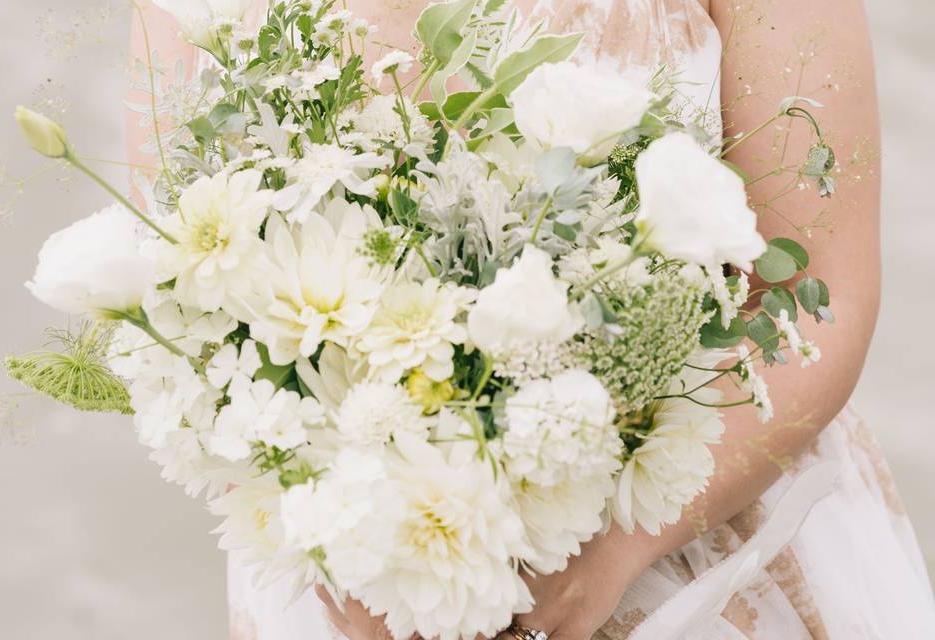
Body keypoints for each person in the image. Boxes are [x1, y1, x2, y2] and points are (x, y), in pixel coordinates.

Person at [129, 1, 935, 638]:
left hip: (696, 545)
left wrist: (610, 553)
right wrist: (358, 555)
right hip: (363, 590)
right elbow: (183, 305)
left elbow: (818, 286)